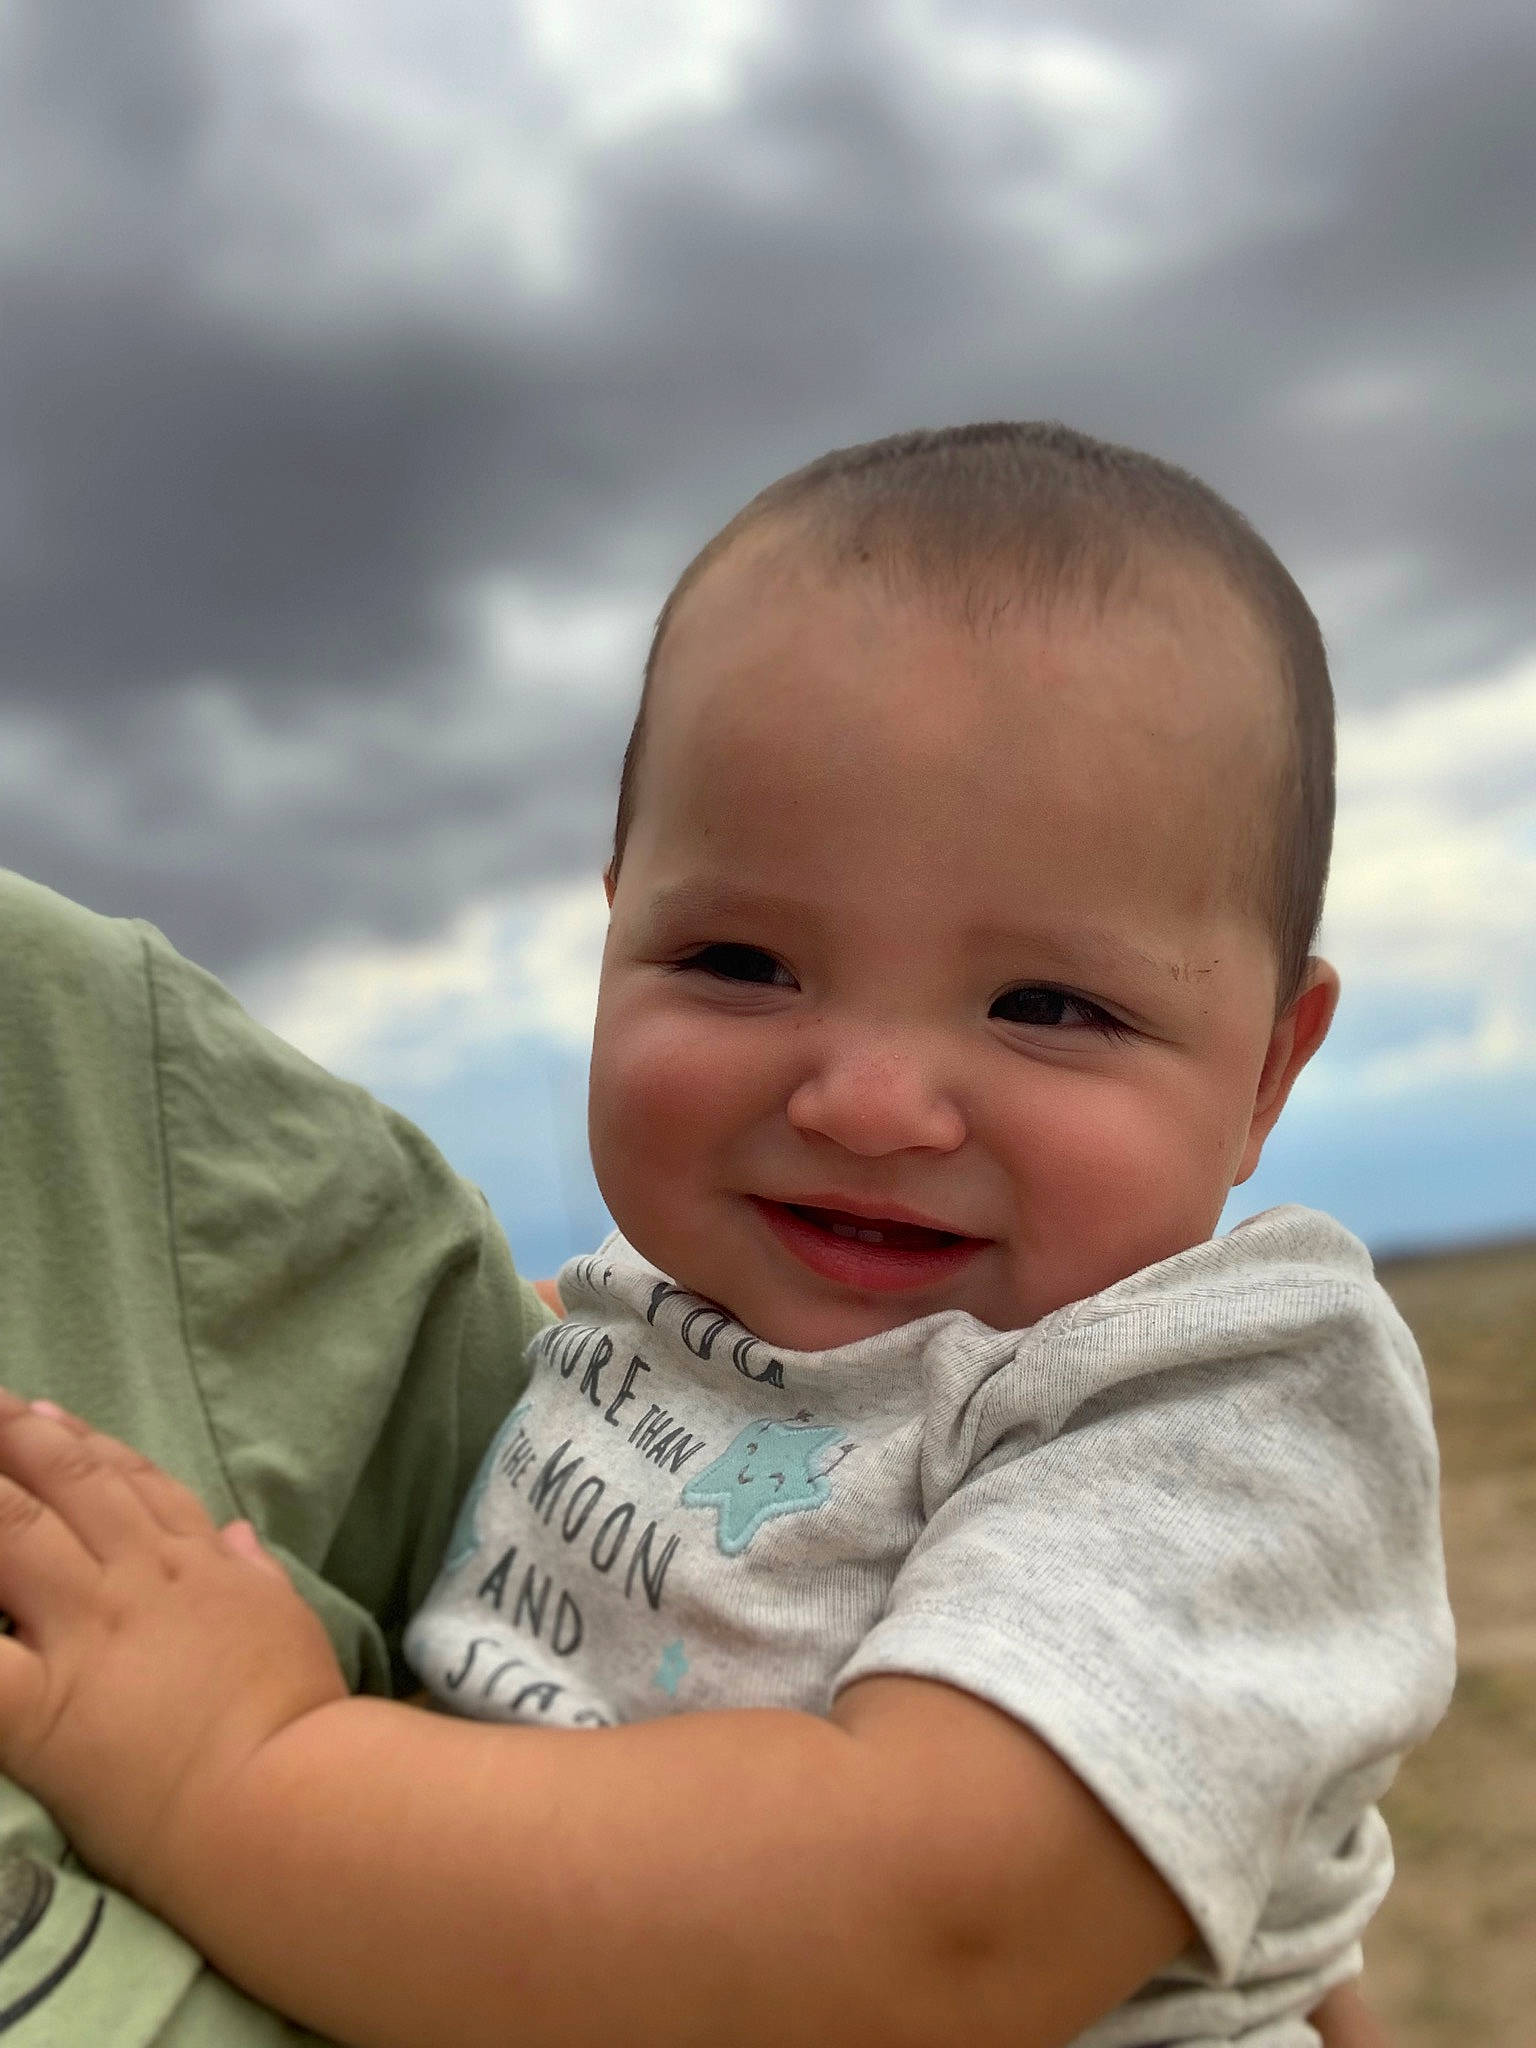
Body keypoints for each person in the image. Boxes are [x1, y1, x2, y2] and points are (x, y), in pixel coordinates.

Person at [0, 424, 1446, 2048]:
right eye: (744, 962)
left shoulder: (1218, 1408)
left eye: (1049, 1005)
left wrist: (229, 1768)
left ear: (1270, 1073)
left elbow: (921, 1934)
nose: (870, 1102)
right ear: (616, 924)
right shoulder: (639, 1332)